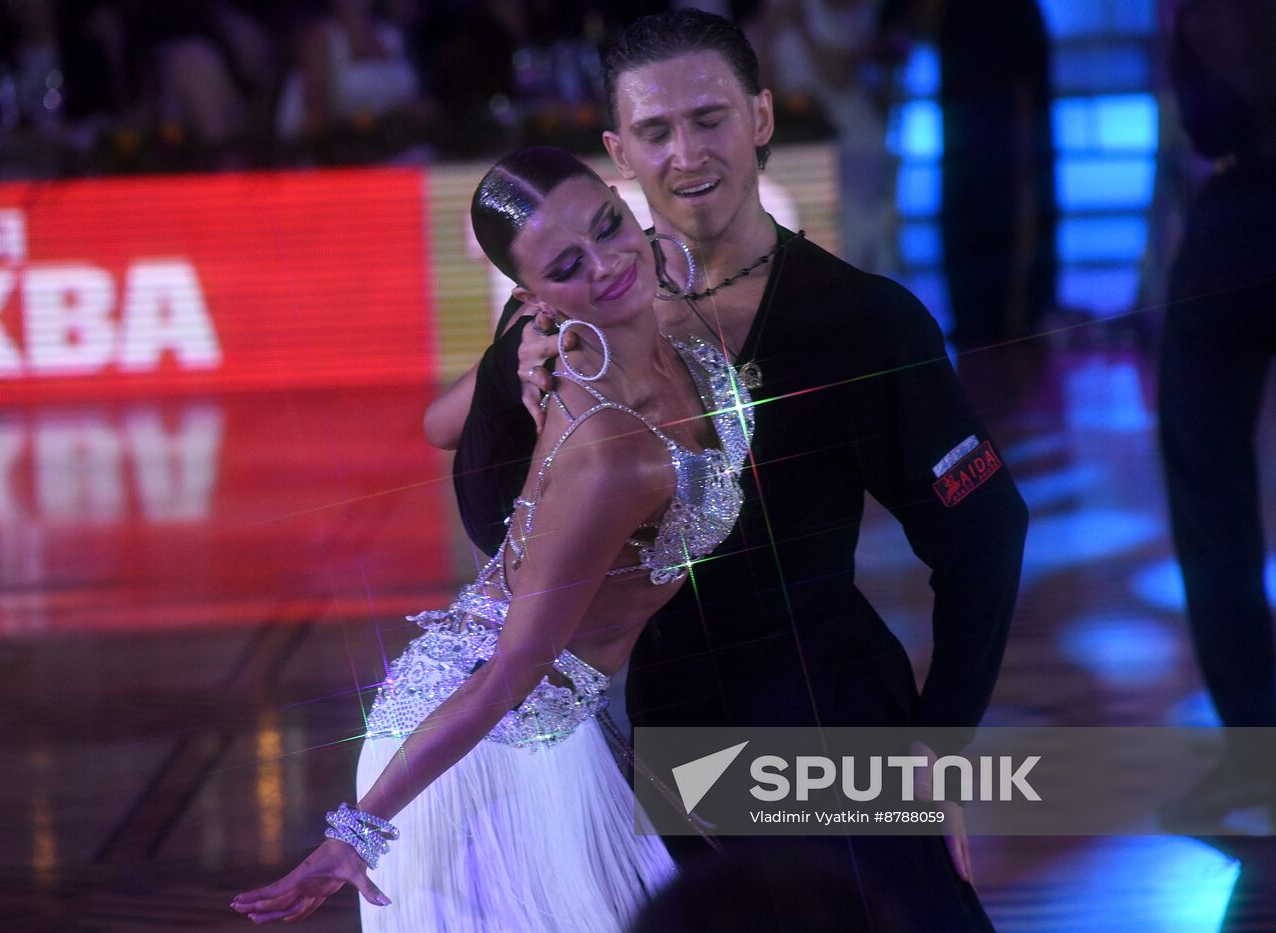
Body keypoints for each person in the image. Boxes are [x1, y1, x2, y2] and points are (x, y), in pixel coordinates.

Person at [435, 9, 1028, 929]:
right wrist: (513, 400)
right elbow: (491, 522)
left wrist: (939, 740)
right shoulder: (565, 312)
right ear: (617, 150)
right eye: (655, 131)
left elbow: (986, 531)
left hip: (832, 724)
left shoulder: (862, 320)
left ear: (759, 117)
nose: (686, 154)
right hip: (672, 744)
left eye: (709, 118)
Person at [230, 147, 755, 930]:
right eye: (568, 264)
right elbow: (513, 666)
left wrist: (513, 363)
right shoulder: (610, 451)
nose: (608, 264)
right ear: (532, 292)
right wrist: (358, 831)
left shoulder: (663, 326)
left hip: (551, 712)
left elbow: (439, 422)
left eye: (609, 227)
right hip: (490, 740)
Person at [1157, 0, 1276, 826]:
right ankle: (1254, 759)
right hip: (1238, 211)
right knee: (1208, 489)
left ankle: (1256, 758)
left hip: (1241, 209)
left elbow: (1221, 92)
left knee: (1210, 495)